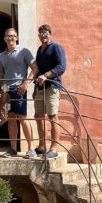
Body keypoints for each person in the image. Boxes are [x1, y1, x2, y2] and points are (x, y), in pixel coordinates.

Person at [0, 28, 38, 159]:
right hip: (7, 91)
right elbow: (2, 74)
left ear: (16, 37)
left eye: (12, 36)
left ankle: (31, 148)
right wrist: (1, 89)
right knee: (10, 119)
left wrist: (26, 84)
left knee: (22, 118)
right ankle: (13, 149)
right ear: (4, 38)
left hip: (19, 89)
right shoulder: (2, 56)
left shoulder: (24, 51)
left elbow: (35, 68)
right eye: (7, 36)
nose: (10, 38)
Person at [33, 24, 66, 159]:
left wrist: (46, 75)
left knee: (52, 116)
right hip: (40, 88)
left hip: (52, 86)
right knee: (38, 116)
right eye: (41, 33)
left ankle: (54, 148)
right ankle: (42, 146)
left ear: (50, 34)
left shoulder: (56, 48)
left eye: (45, 33)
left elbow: (61, 66)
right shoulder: (39, 50)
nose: (43, 35)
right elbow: (38, 71)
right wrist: (35, 88)